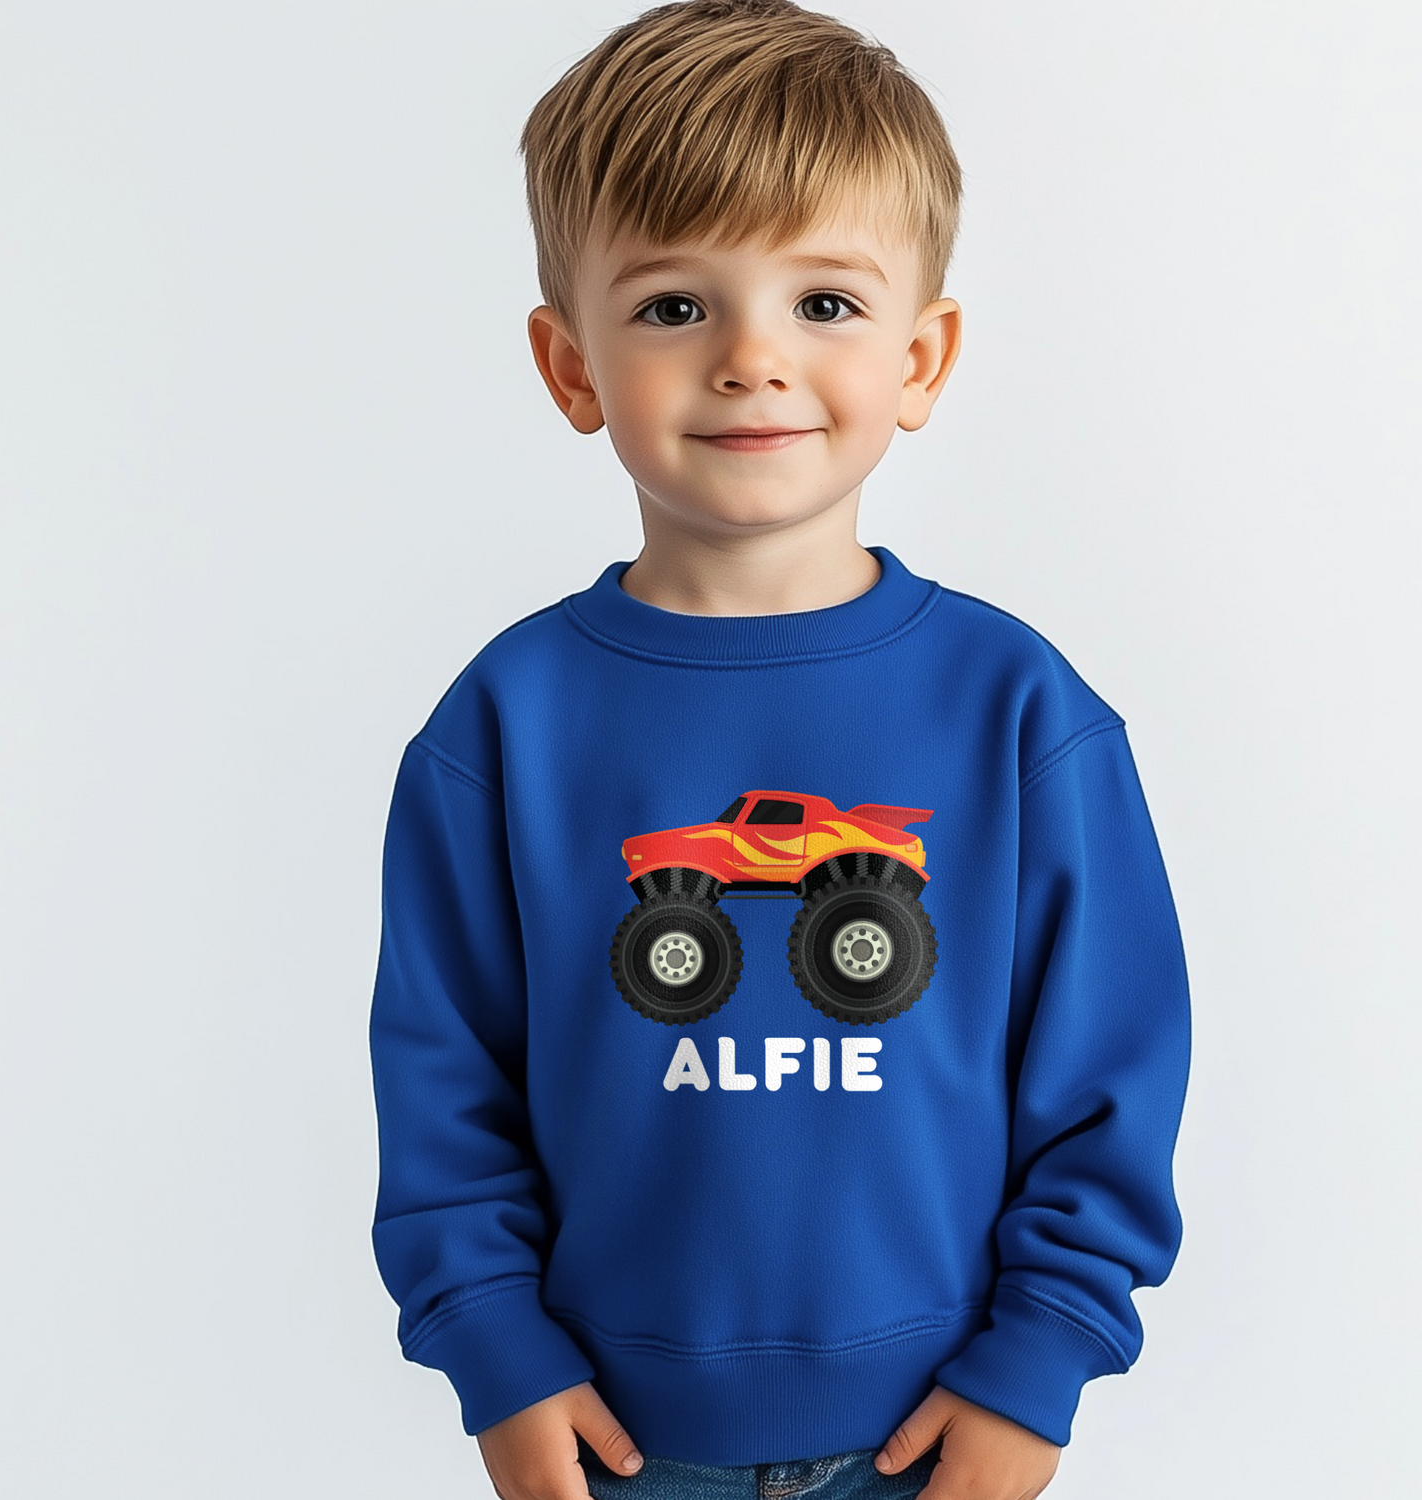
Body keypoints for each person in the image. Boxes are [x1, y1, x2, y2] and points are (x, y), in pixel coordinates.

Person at [367, 3, 1192, 1499]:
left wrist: (1044, 1355)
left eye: (822, 302)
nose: (753, 359)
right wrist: (495, 1344)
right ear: (572, 367)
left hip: (938, 1426)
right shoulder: (508, 720)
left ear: (920, 359)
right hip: (617, 1440)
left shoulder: (1015, 708)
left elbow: (1109, 1063)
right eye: (676, 306)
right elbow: (443, 1075)